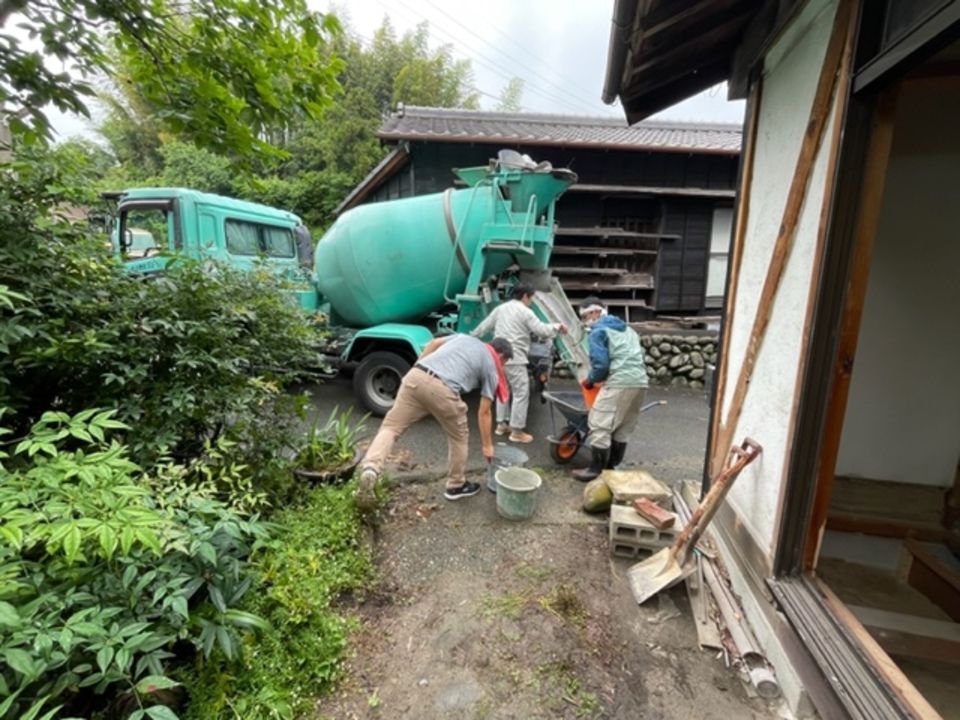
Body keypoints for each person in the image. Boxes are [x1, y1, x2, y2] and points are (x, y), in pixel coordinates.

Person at [355, 334, 513, 508]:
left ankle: (370, 468)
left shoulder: (464, 337)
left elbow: (434, 342)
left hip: (415, 376)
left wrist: (417, 368)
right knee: (458, 437)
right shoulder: (491, 365)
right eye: (503, 363)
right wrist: (487, 446)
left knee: (391, 428)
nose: (501, 367)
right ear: (500, 356)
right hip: (442, 389)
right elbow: (484, 412)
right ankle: (456, 485)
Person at [470, 282, 566, 443]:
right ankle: (517, 430)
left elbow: (484, 327)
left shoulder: (500, 309)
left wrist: (472, 336)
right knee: (521, 392)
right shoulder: (525, 312)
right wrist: (557, 327)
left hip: (498, 357)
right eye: (531, 297)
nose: (530, 301)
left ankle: (501, 425)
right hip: (515, 357)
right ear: (525, 296)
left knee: (502, 390)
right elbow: (541, 330)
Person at [573, 297, 649, 481]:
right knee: (623, 426)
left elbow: (600, 365)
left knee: (599, 423)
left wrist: (590, 381)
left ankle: (595, 470)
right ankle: (611, 467)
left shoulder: (598, 331)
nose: (585, 321)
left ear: (595, 312)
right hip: (640, 381)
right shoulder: (629, 330)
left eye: (585, 316)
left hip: (620, 381)